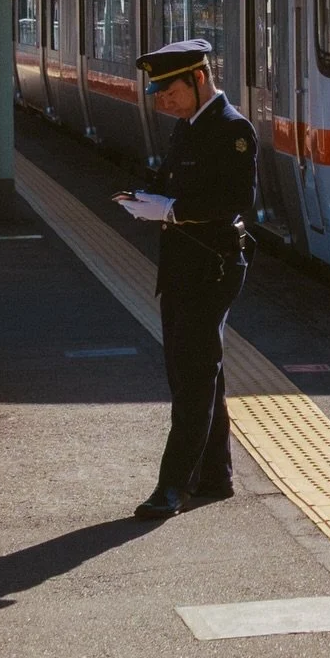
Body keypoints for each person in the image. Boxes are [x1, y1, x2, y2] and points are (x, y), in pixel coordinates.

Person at [115, 38, 256, 519]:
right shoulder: (187, 127)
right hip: (181, 267)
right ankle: (216, 475)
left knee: (192, 377)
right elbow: (174, 183)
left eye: (170, 91)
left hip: (212, 268)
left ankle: (172, 487)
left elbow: (236, 199)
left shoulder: (233, 130)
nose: (163, 102)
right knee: (197, 371)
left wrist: (172, 211)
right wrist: (144, 198)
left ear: (199, 78)